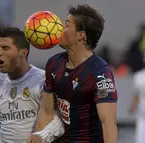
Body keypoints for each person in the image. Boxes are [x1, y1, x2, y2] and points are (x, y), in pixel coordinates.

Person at [27, 4, 118, 143]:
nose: (59, 29)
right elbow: (46, 112)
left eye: (66, 25)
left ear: (81, 35)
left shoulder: (100, 73)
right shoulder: (54, 64)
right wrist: (41, 136)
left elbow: (109, 125)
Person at [129, 54, 145, 143]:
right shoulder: (139, 76)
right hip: (142, 113)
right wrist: (133, 105)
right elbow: (136, 93)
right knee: (140, 138)